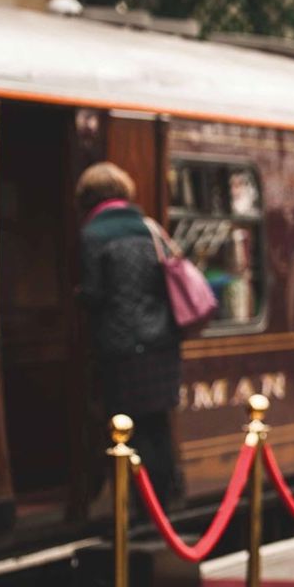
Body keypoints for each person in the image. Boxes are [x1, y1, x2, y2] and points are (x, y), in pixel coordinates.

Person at [76, 162, 182, 511]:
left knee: (129, 429)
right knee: (158, 427)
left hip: (120, 347)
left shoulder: (92, 235)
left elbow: (93, 294)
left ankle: (138, 507)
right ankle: (165, 502)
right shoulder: (148, 227)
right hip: (161, 343)